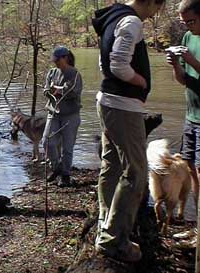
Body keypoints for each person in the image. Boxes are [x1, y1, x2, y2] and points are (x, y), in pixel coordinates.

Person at [92, 0, 165, 262]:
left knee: (111, 164)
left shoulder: (112, 17)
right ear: (152, 1)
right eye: (157, 8)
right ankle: (114, 241)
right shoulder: (131, 21)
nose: (154, 14)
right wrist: (141, 81)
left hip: (109, 102)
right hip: (123, 106)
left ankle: (106, 221)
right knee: (136, 172)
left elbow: (104, 64)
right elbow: (118, 66)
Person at [166, 0, 200, 248]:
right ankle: (197, 227)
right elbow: (183, 80)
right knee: (191, 171)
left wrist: (192, 60)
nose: (187, 26)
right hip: (191, 115)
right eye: (184, 22)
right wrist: (176, 63)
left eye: (191, 21)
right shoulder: (188, 38)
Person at [42, 46, 82, 187]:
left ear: (65, 58)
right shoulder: (52, 73)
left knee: (67, 147)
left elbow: (73, 91)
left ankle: (65, 175)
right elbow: (46, 90)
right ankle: (56, 167)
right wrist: (51, 91)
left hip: (70, 115)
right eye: (54, 60)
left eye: (58, 60)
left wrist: (58, 90)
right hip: (53, 112)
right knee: (47, 142)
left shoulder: (74, 74)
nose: (55, 63)